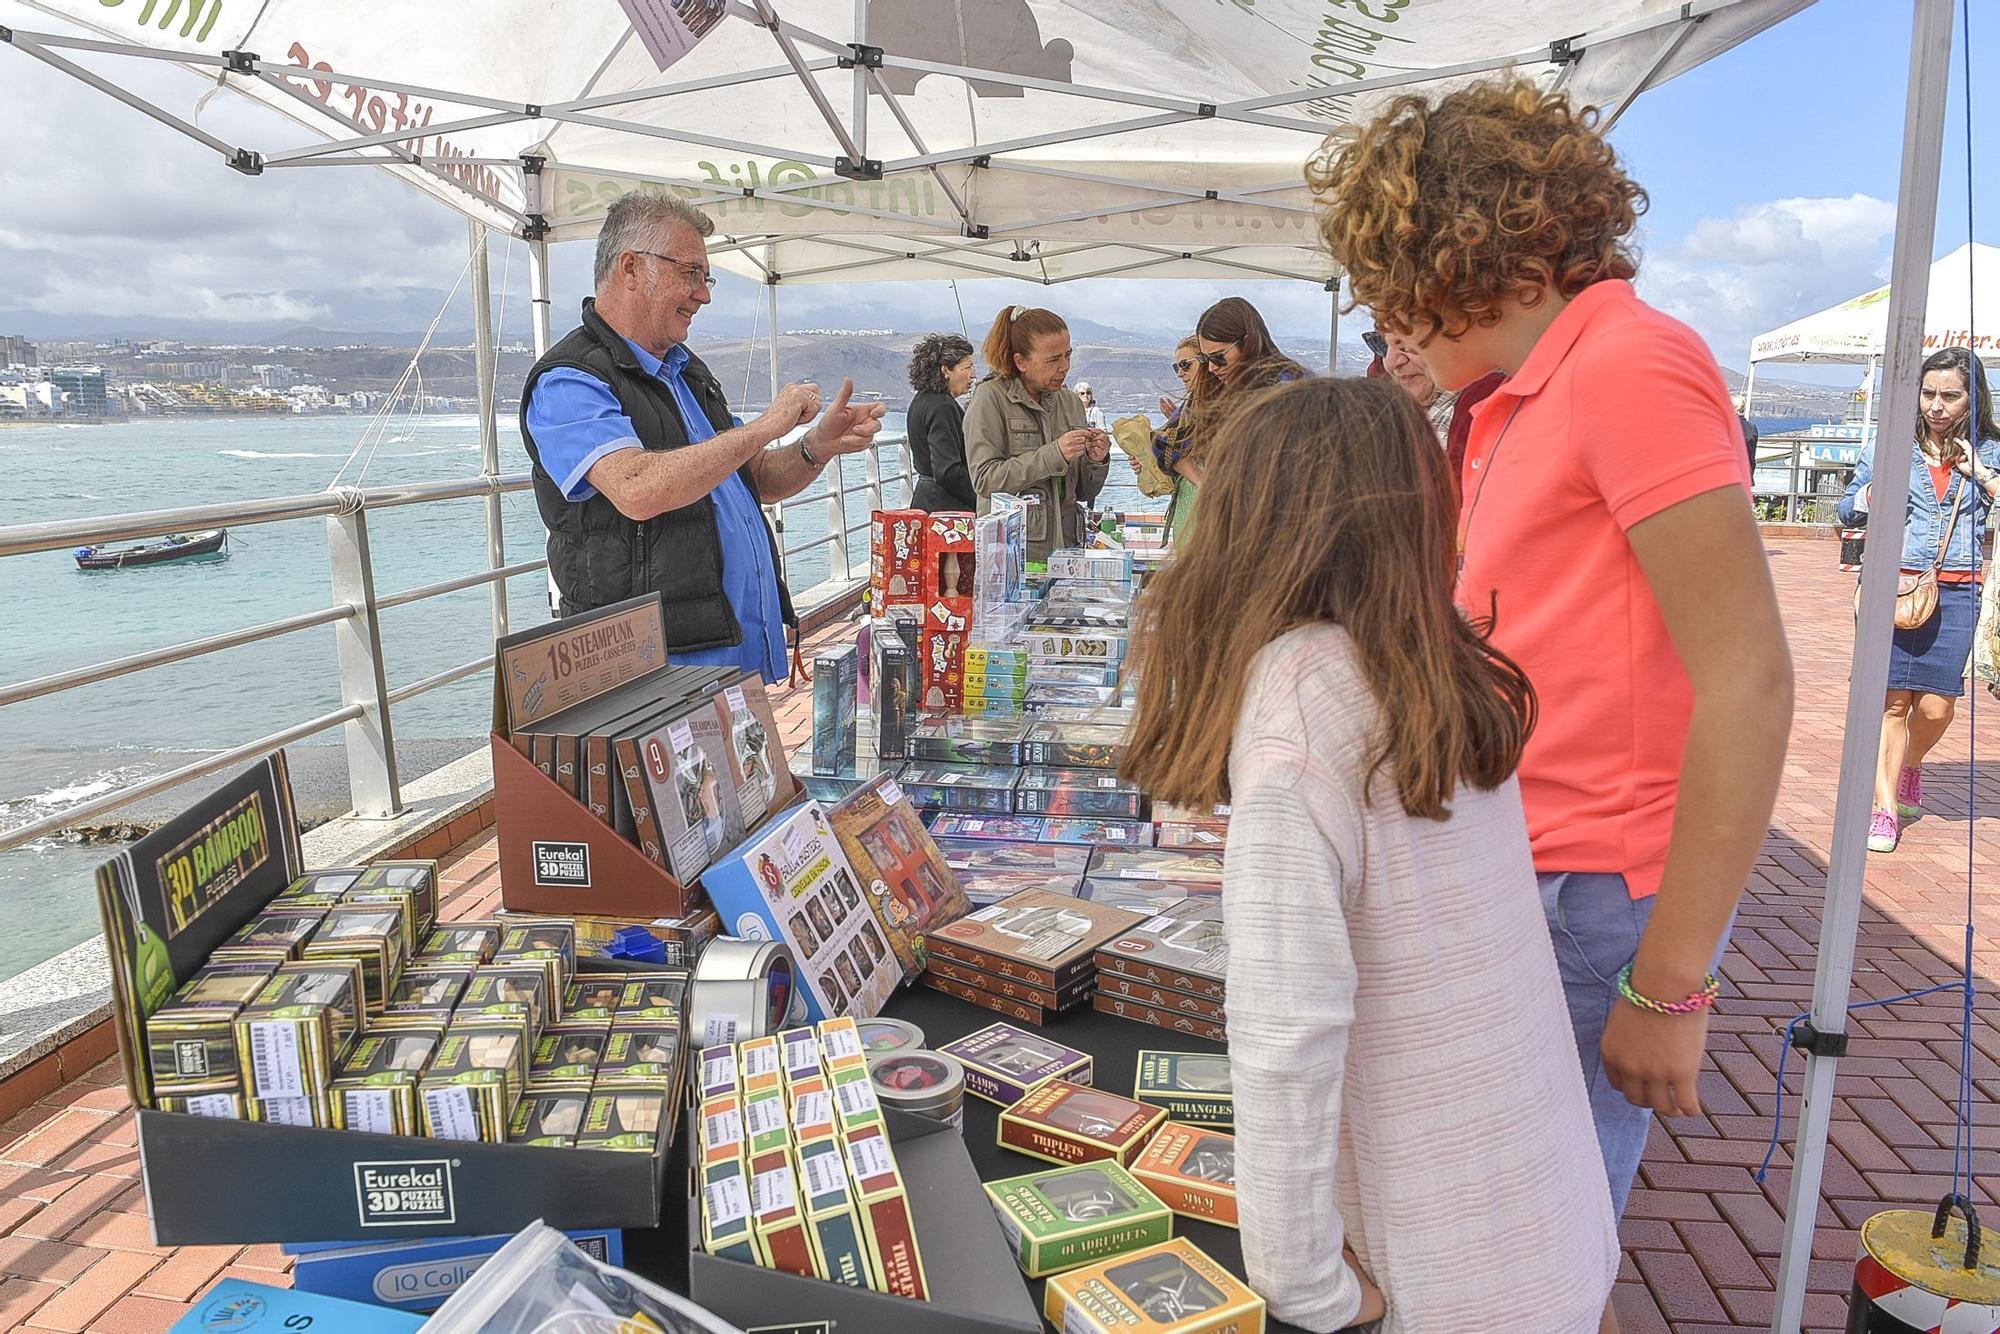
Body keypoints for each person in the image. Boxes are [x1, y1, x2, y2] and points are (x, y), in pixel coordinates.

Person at [1310, 78, 1795, 1256]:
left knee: (1528, 1242)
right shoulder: (1511, 396)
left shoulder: (1628, 365)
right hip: (1524, 861)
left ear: (1473, 252)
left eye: (1396, 289)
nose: (1391, 322)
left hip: (1588, 889)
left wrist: (1669, 986)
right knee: (1505, 1223)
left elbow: (1749, 678)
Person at [1122, 376, 1618, 1334]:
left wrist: (1306, 1287)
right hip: (1534, 1208)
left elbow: (1285, 1036)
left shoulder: (1300, 707)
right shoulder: (1438, 666)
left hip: (1429, 1263)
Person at [521, 191, 885, 681]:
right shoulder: (571, 379)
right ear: (630, 268)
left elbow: (754, 478)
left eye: (705, 276)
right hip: (653, 665)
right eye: (690, 273)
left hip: (725, 645)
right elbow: (636, 487)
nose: (704, 294)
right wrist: (766, 426)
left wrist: (816, 446)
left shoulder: (686, 370)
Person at [1839, 346, 2000, 852]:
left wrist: (1981, 474)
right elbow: (1848, 508)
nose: (1935, 405)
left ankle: (1909, 764)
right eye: (1928, 394)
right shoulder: (1890, 445)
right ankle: (1883, 808)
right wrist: (1870, 494)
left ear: (1974, 399)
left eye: (1949, 396)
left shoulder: (1991, 450)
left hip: (1957, 588)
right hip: (1893, 584)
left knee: (1936, 707)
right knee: (1889, 702)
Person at [963, 305, 1109, 564]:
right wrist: (1055, 454)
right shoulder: (990, 399)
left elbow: (1084, 492)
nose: (1064, 367)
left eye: (1068, 355)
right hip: (1013, 557)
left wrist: (1096, 461)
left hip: (1068, 552)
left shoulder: (1071, 403)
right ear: (1021, 362)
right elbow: (985, 480)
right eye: (1053, 360)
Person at [1153, 297, 1307, 540]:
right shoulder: (1215, 391)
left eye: (1218, 357)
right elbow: (1164, 443)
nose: (1212, 368)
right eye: (1205, 359)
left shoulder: (1296, 389)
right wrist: (1205, 484)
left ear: (1247, 342)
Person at [1367, 324, 1506, 484]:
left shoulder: (1481, 407)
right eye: (1383, 344)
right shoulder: (1381, 408)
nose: (1392, 363)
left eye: (1408, 345)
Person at [904, 333, 976, 512]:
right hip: (946, 509)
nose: (973, 375)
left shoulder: (921, 400)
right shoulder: (943, 406)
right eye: (967, 368)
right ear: (945, 371)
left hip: (925, 499)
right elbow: (947, 471)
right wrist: (981, 500)